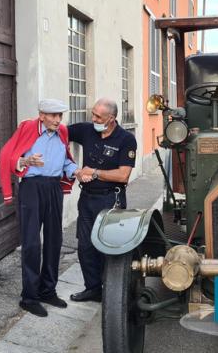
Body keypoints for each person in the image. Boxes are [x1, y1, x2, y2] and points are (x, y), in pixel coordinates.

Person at [0, 99, 78, 317]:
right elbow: (9, 157)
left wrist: (77, 171)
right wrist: (26, 161)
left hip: (53, 187)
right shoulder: (27, 128)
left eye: (60, 115)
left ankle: (48, 290)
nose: (57, 120)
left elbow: (65, 163)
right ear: (41, 115)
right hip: (31, 187)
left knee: (55, 240)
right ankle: (29, 297)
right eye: (53, 115)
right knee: (32, 242)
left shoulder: (62, 132)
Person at [68, 98, 138, 303]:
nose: (93, 119)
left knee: (108, 246)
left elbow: (123, 175)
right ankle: (92, 289)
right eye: (93, 114)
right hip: (87, 199)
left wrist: (95, 172)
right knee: (85, 247)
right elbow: (59, 133)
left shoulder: (126, 139)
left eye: (98, 116)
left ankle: (112, 290)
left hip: (110, 199)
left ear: (111, 119)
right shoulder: (86, 130)